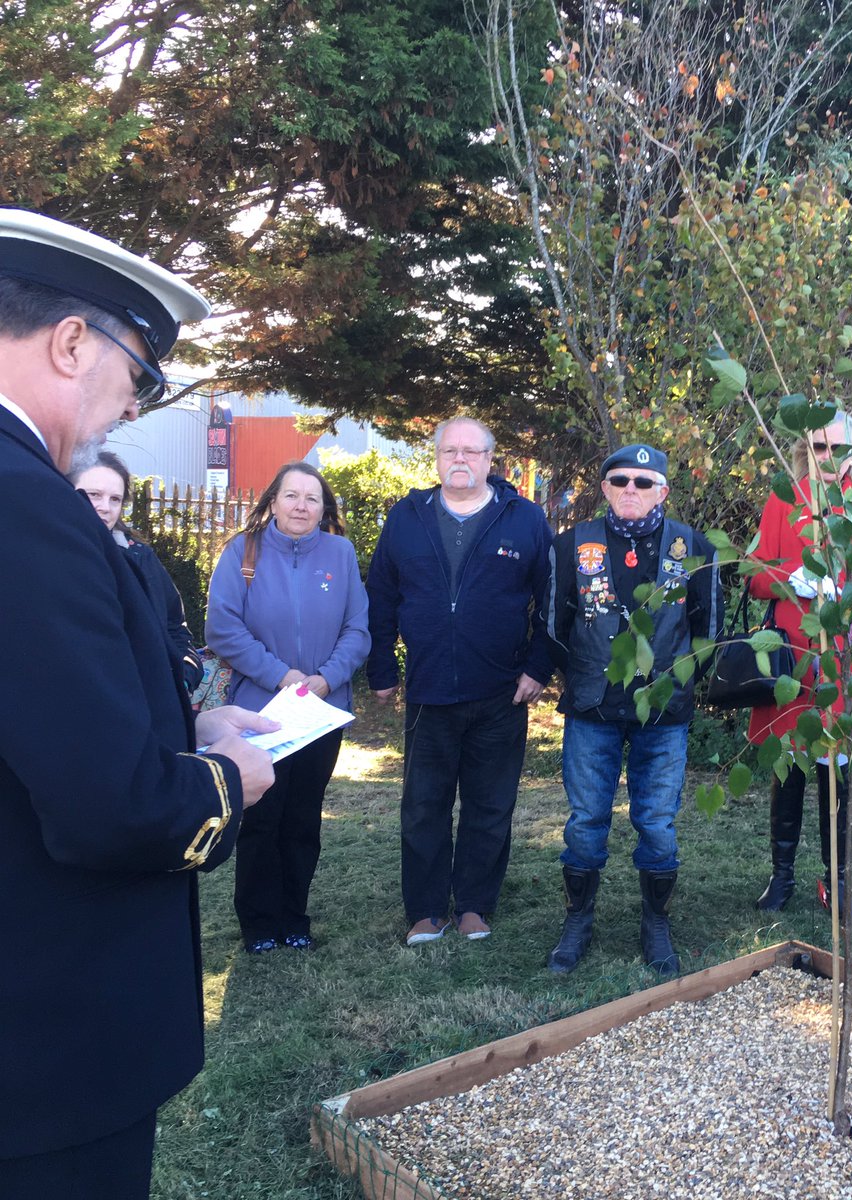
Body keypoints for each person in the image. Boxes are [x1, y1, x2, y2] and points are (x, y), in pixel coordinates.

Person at [0, 208, 275, 1196]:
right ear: (72, 342)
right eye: (140, 377)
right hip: (46, 1050)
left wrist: (188, 716)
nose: (132, 408)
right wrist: (226, 778)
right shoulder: (23, 502)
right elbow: (106, 804)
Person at [366, 416, 554, 946]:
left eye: (472, 451)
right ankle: (426, 909)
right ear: (437, 458)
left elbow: (554, 600)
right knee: (424, 805)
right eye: (450, 450)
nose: (461, 459)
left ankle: (474, 904)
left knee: (489, 804)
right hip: (429, 691)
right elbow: (380, 596)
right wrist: (382, 667)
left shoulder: (525, 520)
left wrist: (539, 667)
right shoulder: (406, 518)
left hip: (501, 691)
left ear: (491, 460)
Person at [543, 443, 723, 975]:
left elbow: (706, 631)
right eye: (620, 480)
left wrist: (677, 684)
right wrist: (579, 675)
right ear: (604, 488)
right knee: (585, 820)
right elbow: (554, 624)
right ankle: (577, 921)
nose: (631, 490)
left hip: (663, 713)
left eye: (644, 483)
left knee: (658, 822)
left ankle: (656, 922)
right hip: (592, 707)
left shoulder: (693, 546)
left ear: (663, 490)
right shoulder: (572, 544)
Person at [206, 461, 370, 953]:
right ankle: (258, 924)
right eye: (292, 496)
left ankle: (294, 917)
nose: (302, 506)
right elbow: (223, 628)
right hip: (261, 711)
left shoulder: (340, 554)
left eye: (312, 498)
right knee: (261, 818)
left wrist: (325, 679)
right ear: (273, 501)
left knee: (303, 818)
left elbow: (358, 629)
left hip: (321, 712)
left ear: (325, 508)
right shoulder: (242, 551)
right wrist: (283, 676)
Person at [745, 415, 852, 916]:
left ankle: (837, 883)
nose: (829, 457)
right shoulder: (783, 499)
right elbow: (756, 576)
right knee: (787, 767)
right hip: (792, 653)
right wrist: (794, 579)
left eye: (839, 447)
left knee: (838, 770)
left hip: (845, 658)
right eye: (818, 446)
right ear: (803, 449)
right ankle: (782, 875)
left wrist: (847, 589)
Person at [71, 449, 203, 693]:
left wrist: (182, 677)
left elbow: (176, 628)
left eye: (115, 499)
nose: (104, 507)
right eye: (94, 495)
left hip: (151, 703)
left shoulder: (140, 558)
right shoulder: (50, 559)